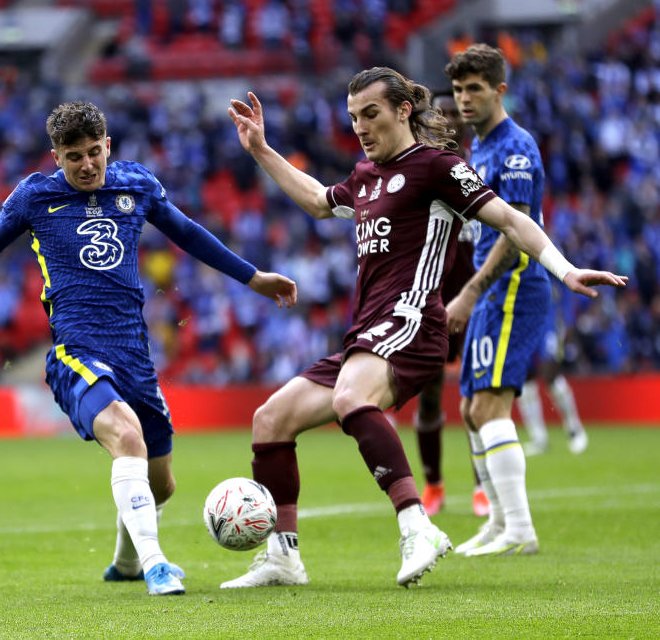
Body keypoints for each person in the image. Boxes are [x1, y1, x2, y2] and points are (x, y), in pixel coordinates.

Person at [0, 101, 297, 596]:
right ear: (57, 157)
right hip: (76, 351)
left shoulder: (135, 185)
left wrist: (254, 276)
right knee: (126, 436)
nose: (88, 165)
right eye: (74, 157)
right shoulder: (35, 197)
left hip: (134, 354)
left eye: (95, 152)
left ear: (108, 146)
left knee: (161, 485)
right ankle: (157, 564)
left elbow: (189, 235)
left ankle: (126, 562)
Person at [222, 69, 625, 588]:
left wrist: (565, 268)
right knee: (269, 420)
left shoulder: (436, 167)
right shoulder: (365, 175)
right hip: (367, 333)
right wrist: (261, 150)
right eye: (353, 118)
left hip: (413, 321)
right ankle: (283, 556)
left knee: (350, 397)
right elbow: (320, 202)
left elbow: (510, 218)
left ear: (403, 110)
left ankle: (417, 526)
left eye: (371, 114)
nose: (361, 127)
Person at [443, 43, 591, 556]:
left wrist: (469, 290)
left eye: (474, 89)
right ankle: (500, 520)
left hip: (513, 286)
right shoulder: (478, 147)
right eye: (458, 89)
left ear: (499, 90)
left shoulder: (515, 147)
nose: (463, 99)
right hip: (491, 290)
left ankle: (521, 528)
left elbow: (515, 232)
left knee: (491, 405)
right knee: (468, 408)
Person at [414, 90, 477, 517]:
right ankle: (434, 483)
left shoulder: (480, 169)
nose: (450, 120)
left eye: (456, 113)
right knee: (431, 395)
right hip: (432, 300)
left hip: (475, 299)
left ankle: (483, 486)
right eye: (442, 113)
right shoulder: (419, 171)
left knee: (479, 394)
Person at [516, 293, 588, 456]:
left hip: (548, 320)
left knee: (551, 376)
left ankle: (574, 429)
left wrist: (568, 319)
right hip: (522, 322)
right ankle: (539, 438)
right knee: (525, 379)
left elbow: (565, 285)